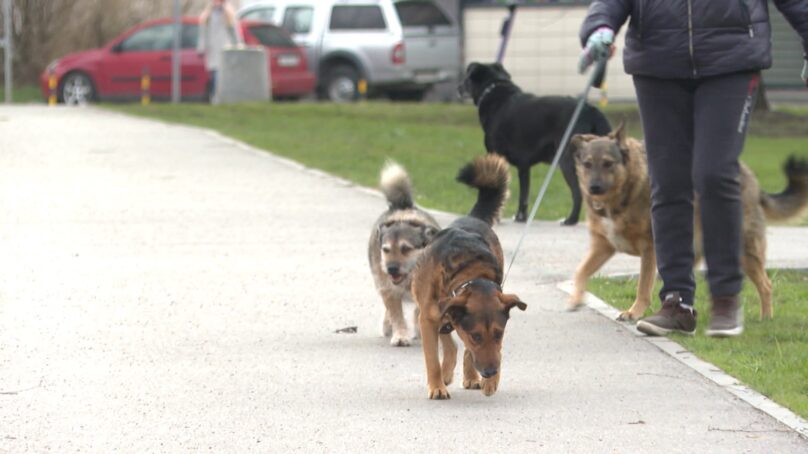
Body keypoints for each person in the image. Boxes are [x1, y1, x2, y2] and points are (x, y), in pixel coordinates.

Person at [578, 1, 808, 337]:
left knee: (714, 173)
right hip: (657, 61)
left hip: (731, 58)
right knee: (668, 182)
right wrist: (600, 26)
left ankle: (726, 298)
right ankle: (677, 302)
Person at [197, 0, 241, 101]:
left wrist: (238, 45)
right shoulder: (207, 16)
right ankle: (215, 98)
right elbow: (202, 34)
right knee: (213, 75)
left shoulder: (228, 14)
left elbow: (234, 33)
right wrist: (201, 48)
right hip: (212, 50)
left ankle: (219, 98)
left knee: (220, 76)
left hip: (225, 50)